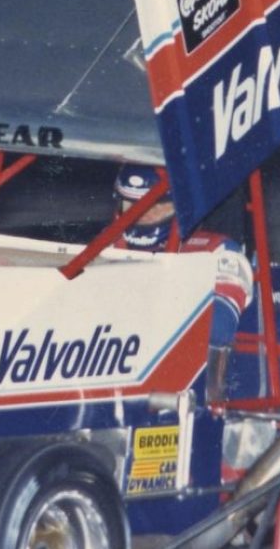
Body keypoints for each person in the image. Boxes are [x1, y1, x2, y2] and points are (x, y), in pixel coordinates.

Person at [114, 164, 252, 403]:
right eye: (132, 205)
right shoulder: (108, 248)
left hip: (190, 389)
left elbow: (216, 329)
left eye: (157, 205)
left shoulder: (217, 252)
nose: (143, 214)